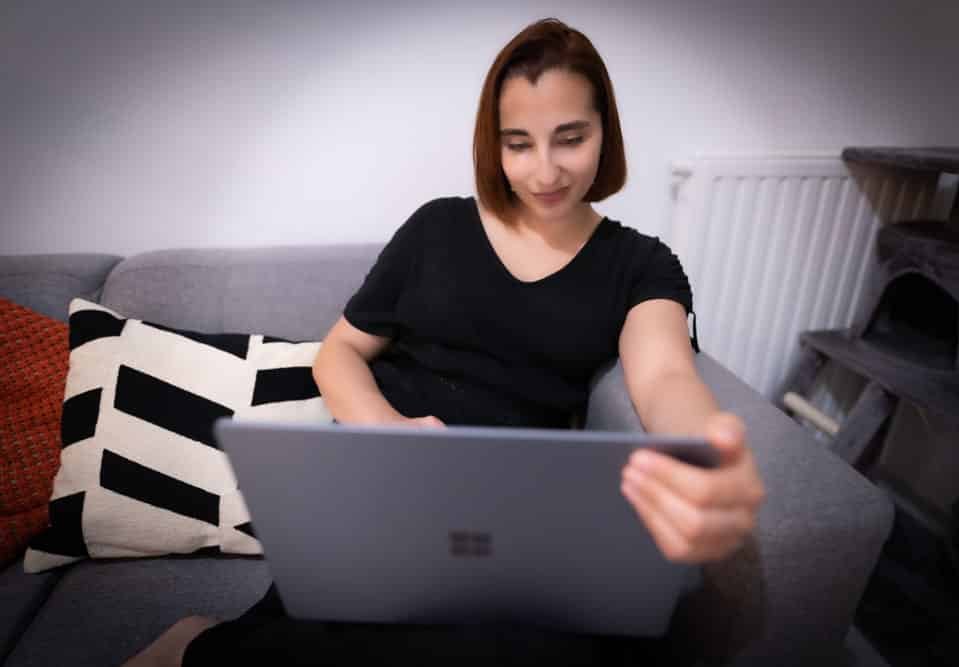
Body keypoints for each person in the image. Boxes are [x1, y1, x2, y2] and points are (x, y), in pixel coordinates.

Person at [124, 17, 765, 667]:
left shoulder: (640, 263)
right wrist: (384, 427)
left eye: (569, 138)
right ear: (496, 145)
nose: (544, 170)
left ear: (606, 132)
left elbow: (664, 379)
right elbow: (338, 351)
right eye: (519, 143)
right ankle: (204, 644)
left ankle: (203, 645)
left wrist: (707, 449)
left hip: (512, 511)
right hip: (383, 484)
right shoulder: (437, 228)